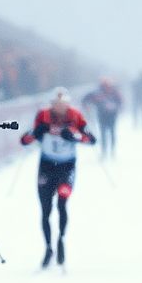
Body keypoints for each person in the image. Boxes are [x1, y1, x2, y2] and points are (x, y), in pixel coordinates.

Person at [20, 87, 96, 268]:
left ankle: (61, 240)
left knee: (62, 203)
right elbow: (25, 140)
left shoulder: (76, 115)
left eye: (63, 105)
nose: (60, 109)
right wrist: (38, 131)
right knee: (46, 210)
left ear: (68, 104)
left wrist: (75, 136)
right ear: (52, 104)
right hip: (46, 166)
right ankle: (48, 248)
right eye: (56, 104)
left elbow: (92, 139)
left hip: (67, 166)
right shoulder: (43, 115)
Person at [83, 78, 123, 159]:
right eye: (105, 86)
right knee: (103, 134)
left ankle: (112, 152)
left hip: (112, 116)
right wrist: (86, 106)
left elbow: (121, 101)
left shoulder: (115, 92)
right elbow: (86, 99)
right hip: (102, 116)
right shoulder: (98, 93)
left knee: (112, 133)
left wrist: (117, 107)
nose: (107, 88)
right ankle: (104, 152)